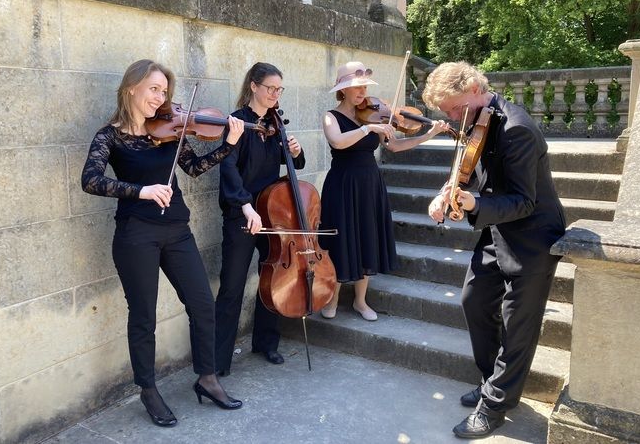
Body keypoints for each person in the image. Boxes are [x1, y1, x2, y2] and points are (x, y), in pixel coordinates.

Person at [81, 59, 244, 428]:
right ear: (131, 88)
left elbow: (194, 168)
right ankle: (148, 389)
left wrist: (229, 145)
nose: (161, 97)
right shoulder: (110, 136)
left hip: (178, 231)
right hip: (136, 235)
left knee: (203, 305)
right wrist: (141, 191)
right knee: (143, 317)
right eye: (154, 89)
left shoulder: (171, 130)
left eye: (164, 91)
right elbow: (90, 180)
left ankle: (207, 378)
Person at [423, 61, 566, 439]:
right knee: (473, 300)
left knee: (518, 324)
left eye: (454, 108)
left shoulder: (517, 129)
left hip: (533, 236)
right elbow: (464, 171)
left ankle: (495, 407)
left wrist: (472, 205)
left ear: (473, 87)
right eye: (446, 112)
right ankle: (492, 382)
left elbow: (523, 200)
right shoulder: (476, 120)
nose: (453, 118)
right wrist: (445, 193)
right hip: (497, 230)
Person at [319, 61, 449, 321]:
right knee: (340, 238)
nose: (362, 92)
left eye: (364, 87)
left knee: (366, 236)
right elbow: (337, 141)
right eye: (357, 87)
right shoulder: (331, 117)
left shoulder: (373, 113)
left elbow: (395, 146)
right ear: (343, 90)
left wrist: (429, 134)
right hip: (343, 184)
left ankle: (360, 301)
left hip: (369, 183)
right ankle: (331, 298)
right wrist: (368, 128)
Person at [214, 62, 305, 375]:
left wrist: (294, 151)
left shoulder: (275, 124)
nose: (274, 94)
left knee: (273, 279)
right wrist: (244, 205)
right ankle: (219, 361)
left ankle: (266, 343)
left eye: (279, 89)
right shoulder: (237, 123)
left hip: (273, 215)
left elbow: (292, 165)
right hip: (242, 215)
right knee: (232, 287)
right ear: (253, 86)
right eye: (270, 88)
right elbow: (227, 169)